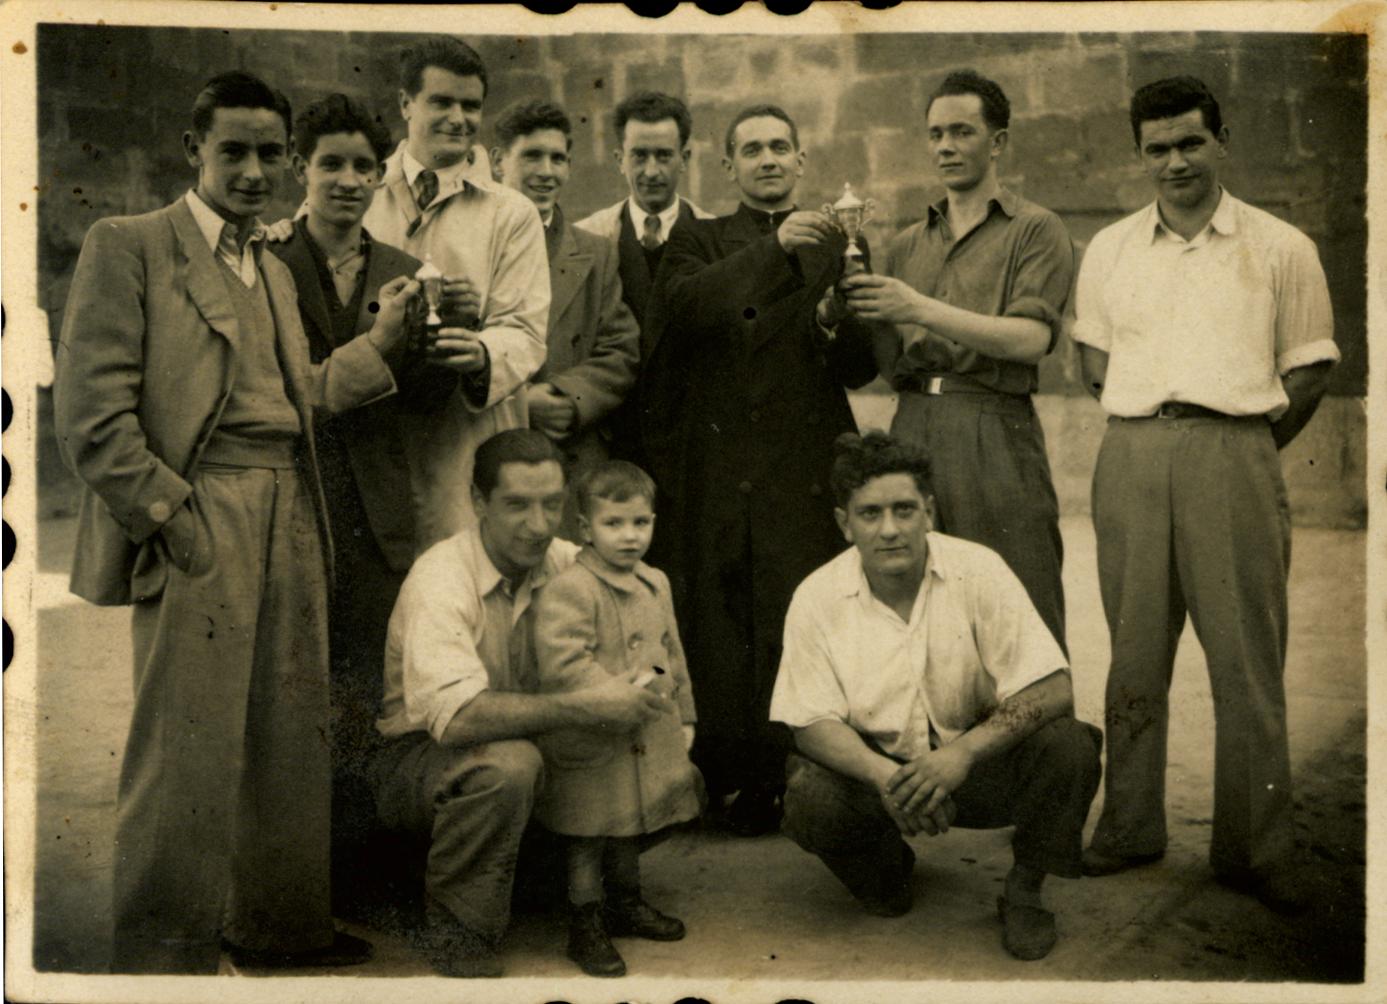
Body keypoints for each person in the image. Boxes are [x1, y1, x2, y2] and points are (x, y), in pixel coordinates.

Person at [53, 71, 421, 973]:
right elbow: (92, 418)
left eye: (269, 153)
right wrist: (172, 520)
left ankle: (278, 929)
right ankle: (159, 956)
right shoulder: (131, 244)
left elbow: (301, 405)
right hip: (201, 511)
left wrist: (379, 347)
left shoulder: (274, 268)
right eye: (233, 151)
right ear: (193, 152)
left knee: (288, 735)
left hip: (291, 509)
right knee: (185, 745)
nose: (254, 171)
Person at [1071, 76, 1339, 914]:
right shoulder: (1109, 248)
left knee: (1244, 663)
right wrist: (1155, 425)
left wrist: (1245, 443)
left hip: (1234, 456)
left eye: (1190, 143)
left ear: (1221, 140)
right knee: (1133, 656)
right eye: (1157, 148)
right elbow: (1092, 361)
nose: (1175, 162)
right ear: (1138, 154)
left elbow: (1311, 363)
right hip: (1133, 456)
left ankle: (1254, 846)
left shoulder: (1279, 246)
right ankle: (1129, 826)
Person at [770, 431, 1102, 961]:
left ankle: (1025, 891)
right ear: (844, 524)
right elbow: (807, 720)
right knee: (810, 793)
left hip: (972, 766)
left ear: (929, 510)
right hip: (880, 777)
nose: (890, 530)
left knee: (1070, 746)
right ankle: (884, 867)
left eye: (905, 510)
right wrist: (885, 779)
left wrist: (963, 754)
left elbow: (1054, 687)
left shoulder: (980, 569)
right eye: (870, 514)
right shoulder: (816, 596)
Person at [641, 104, 878, 834]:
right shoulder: (698, 236)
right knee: (716, 620)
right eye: (752, 149)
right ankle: (723, 772)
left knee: (792, 615)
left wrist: (840, 316)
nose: (768, 159)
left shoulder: (840, 239)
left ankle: (786, 774)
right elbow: (682, 308)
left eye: (781, 146)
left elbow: (861, 369)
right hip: (716, 465)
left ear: (802, 161)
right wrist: (774, 246)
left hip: (799, 466)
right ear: (728, 167)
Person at [371, 429, 676, 978]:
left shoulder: (571, 563)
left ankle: (572, 892)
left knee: (661, 757)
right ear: (478, 501)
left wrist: (647, 689)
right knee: (510, 765)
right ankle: (460, 936)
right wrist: (589, 706)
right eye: (516, 504)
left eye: (551, 504)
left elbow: (650, 641)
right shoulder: (442, 577)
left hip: (540, 745)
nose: (538, 525)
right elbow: (458, 719)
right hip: (423, 761)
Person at [267, 92, 456, 917]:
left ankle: (363, 871)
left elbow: (423, 400)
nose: (347, 181)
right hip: (292, 498)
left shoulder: (403, 273)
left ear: (380, 176)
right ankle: (295, 871)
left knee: (366, 692)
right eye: (330, 164)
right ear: (302, 171)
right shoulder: (267, 263)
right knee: (297, 690)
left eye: (362, 167)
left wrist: (445, 342)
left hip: (377, 511)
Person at [840, 69, 1074, 650]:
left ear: (997, 142)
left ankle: (1040, 737)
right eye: (935, 134)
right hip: (914, 423)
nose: (945, 146)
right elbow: (887, 364)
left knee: (1017, 598)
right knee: (916, 607)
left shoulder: (1035, 229)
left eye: (962, 132)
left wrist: (916, 305)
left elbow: (1029, 340)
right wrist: (849, 305)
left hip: (994, 423)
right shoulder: (907, 243)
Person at [363, 35, 550, 547]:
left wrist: (482, 349)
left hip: (466, 436)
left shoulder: (511, 212)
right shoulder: (362, 192)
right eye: (441, 102)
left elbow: (526, 331)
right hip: (378, 431)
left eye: (471, 105)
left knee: (462, 575)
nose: (458, 117)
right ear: (406, 104)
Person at [532, 460, 700, 977]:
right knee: (587, 838)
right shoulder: (571, 588)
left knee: (629, 825)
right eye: (614, 524)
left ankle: (626, 904)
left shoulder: (655, 582)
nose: (630, 537)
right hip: (591, 737)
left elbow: (670, 652)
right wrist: (611, 696)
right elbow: (563, 664)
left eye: (640, 523)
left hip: (644, 734)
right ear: (585, 529)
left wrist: (685, 713)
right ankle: (585, 924)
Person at [490, 99, 640, 540]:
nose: (547, 171)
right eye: (532, 155)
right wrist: (521, 403)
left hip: (572, 454)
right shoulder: (475, 242)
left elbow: (621, 349)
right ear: (499, 161)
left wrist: (567, 397)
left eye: (558, 158)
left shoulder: (594, 252)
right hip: (497, 444)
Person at [574, 91, 713, 464]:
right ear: (620, 160)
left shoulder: (716, 238)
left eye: (664, 156)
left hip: (692, 445)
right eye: (639, 156)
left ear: (684, 159)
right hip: (613, 441)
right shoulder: (588, 238)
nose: (651, 172)